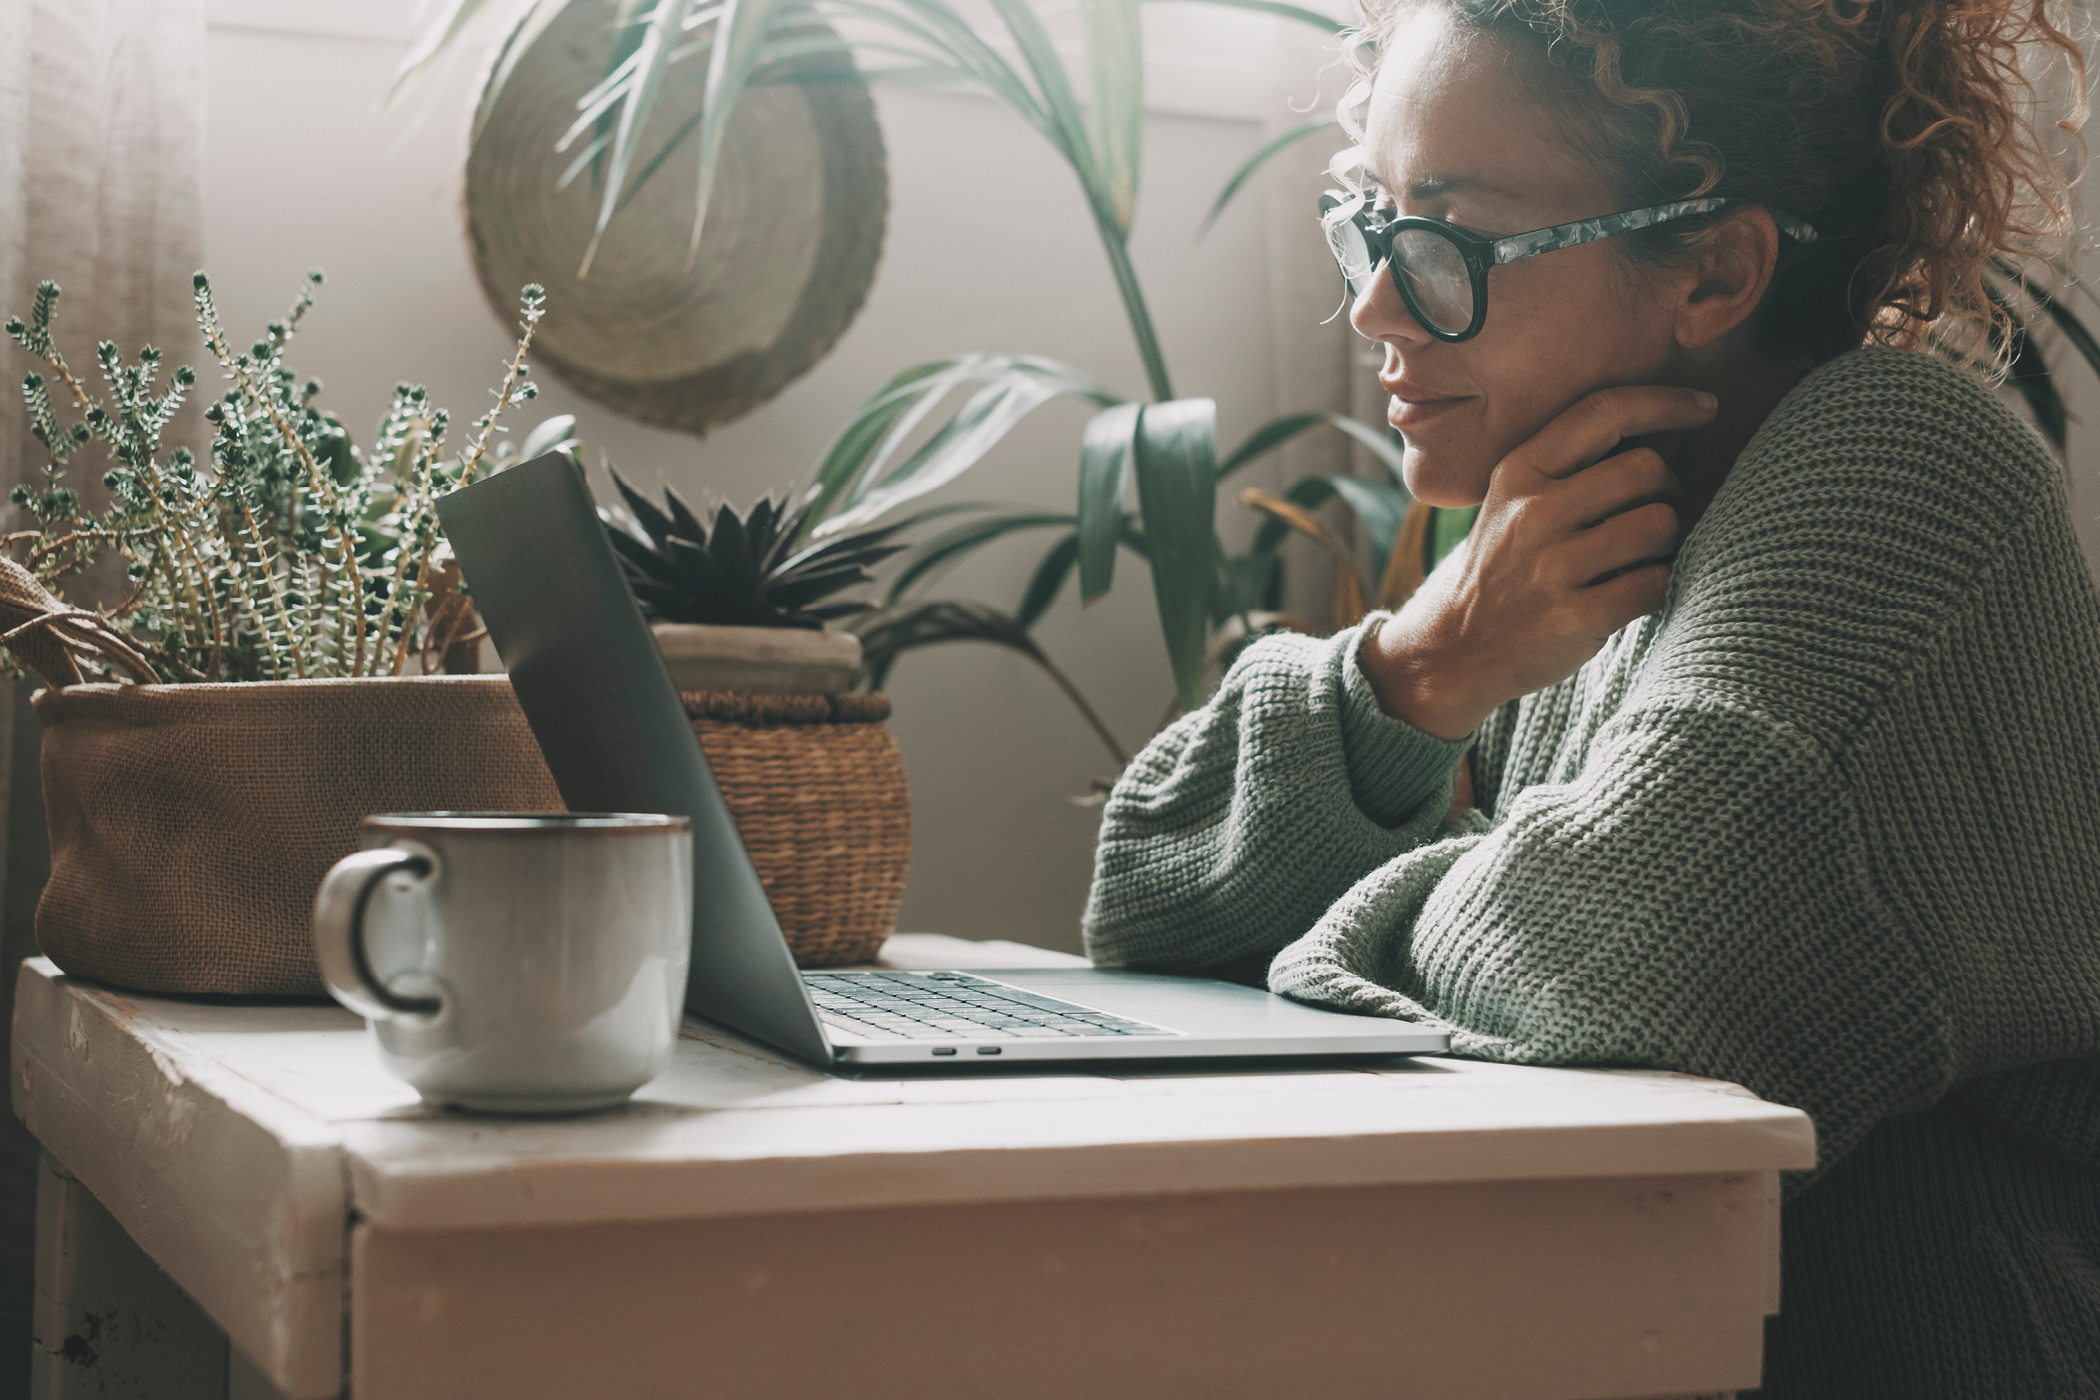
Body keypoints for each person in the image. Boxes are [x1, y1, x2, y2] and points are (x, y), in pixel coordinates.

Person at [1081, 0, 2100, 1394]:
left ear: (1715, 274)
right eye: (1367, 218)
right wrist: (1418, 671)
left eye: (1449, 236)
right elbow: (1147, 912)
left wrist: (1350, 916)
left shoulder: (1903, 464)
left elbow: (1619, 985)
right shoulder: (1579, 555)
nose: (1377, 302)